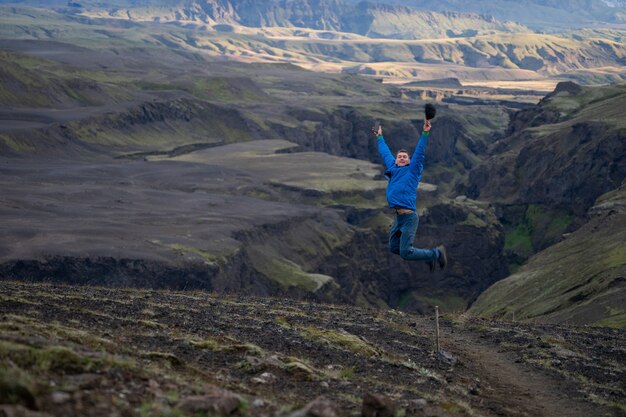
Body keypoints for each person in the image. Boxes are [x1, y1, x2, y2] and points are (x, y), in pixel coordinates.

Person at [374, 120, 447, 272]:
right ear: (396, 160)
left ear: (409, 161)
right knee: (395, 248)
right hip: (398, 218)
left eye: (405, 157)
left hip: (409, 217)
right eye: (399, 156)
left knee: (406, 253)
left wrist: (425, 132)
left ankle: (437, 253)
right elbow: (385, 152)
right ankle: (428, 257)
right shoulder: (393, 168)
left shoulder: (412, 171)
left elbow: (420, 152)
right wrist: (379, 137)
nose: (401, 158)